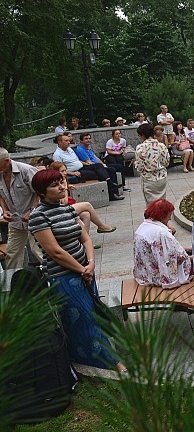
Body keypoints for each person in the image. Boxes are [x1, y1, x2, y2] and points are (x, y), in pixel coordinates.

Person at [28, 169, 126, 372]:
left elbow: (85, 238)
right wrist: (82, 269)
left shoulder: (67, 209)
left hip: (85, 271)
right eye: (55, 185)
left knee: (94, 314)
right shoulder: (38, 216)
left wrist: (90, 263)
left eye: (61, 182)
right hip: (64, 277)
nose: (62, 187)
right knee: (83, 319)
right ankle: (110, 363)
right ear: (41, 192)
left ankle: (101, 357)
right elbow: (55, 252)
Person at [133, 199, 193, 289]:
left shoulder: (143, 226)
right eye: (169, 215)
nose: (170, 218)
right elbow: (168, 259)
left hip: (145, 274)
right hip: (157, 277)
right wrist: (190, 258)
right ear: (162, 216)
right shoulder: (161, 233)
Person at [49, 162, 116, 236]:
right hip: (60, 210)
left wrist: (67, 186)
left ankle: (86, 240)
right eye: (62, 171)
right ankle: (101, 226)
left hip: (66, 207)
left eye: (65, 170)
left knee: (86, 215)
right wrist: (65, 187)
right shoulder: (56, 184)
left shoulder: (61, 182)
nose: (65, 173)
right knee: (87, 205)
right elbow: (64, 202)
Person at [0, 147, 41, 269]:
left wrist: (31, 210)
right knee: (12, 253)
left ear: (7, 161)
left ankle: (55, 281)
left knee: (39, 251)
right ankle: (11, 284)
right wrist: (5, 209)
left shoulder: (27, 170)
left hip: (35, 218)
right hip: (15, 221)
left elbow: (41, 191)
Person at [57, 133, 124, 202]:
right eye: (66, 141)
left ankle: (113, 191)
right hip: (76, 172)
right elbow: (58, 170)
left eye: (68, 140)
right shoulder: (58, 154)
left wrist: (85, 163)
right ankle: (111, 191)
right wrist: (73, 173)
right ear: (59, 142)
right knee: (105, 172)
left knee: (102, 167)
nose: (68, 142)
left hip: (82, 166)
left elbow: (76, 160)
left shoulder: (69, 150)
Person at [134, 123, 171, 203]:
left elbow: (140, 166)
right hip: (162, 177)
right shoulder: (162, 145)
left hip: (148, 178)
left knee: (151, 205)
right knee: (162, 202)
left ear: (142, 135)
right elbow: (167, 162)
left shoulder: (140, 147)